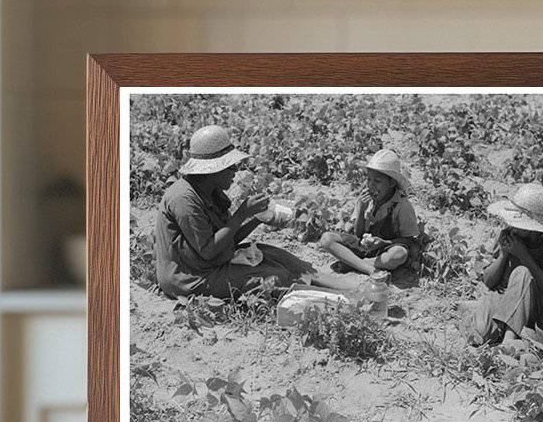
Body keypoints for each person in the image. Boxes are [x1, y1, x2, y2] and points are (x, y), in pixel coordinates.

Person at [154, 124, 354, 299]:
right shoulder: (183, 199)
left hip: (212, 261)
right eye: (230, 167)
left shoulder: (210, 190)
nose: (235, 172)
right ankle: (342, 300)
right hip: (191, 276)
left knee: (278, 256)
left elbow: (228, 240)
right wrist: (241, 214)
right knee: (273, 278)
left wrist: (256, 219)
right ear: (211, 170)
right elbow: (208, 251)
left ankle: (351, 287)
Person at [466, 183, 543, 346]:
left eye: (519, 224)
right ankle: (496, 324)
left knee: (522, 272)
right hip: (502, 293)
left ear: (534, 229)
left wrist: (524, 256)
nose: (513, 227)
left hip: (531, 303)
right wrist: (504, 254)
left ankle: (510, 339)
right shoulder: (508, 235)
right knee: (481, 333)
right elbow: (488, 282)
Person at [318, 149, 421, 281]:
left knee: (399, 255)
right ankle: (369, 268)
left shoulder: (401, 204)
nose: (371, 185)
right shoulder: (365, 198)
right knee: (327, 239)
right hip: (364, 246)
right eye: (369, 179)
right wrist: (361, 210)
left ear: (391, 183)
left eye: (377, 181)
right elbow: (358, 233)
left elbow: (410, 240)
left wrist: (384, 242)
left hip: (385, 250)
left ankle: (353, 263)